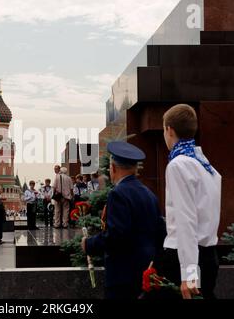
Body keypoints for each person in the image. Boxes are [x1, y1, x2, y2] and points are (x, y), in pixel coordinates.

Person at [81, 141, 166, 299]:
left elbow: (116, 236)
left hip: (123, 278)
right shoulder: (150, 194)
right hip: (146, 274)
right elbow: (160, 233)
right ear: (135, 169)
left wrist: (89, 244)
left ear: (113, 168)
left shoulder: (118, 194)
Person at [160, 104, 221, 299]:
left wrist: (190, 274)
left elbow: (186, 221)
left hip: (184, 259)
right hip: (208, 256)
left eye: (163, 130)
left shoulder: (178, 165)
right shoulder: (206, 166)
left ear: (169, 130)